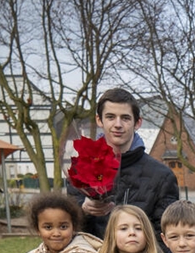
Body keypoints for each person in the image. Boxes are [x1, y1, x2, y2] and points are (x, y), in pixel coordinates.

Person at [68, 88, 179, 241]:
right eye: (110, 117)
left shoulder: (162, 177)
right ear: (99, 120)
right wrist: (83, 209)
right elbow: (67, 228)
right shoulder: (79, 171)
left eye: (125, 118)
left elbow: (166, 235)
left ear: (137, 122)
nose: (118, 124)